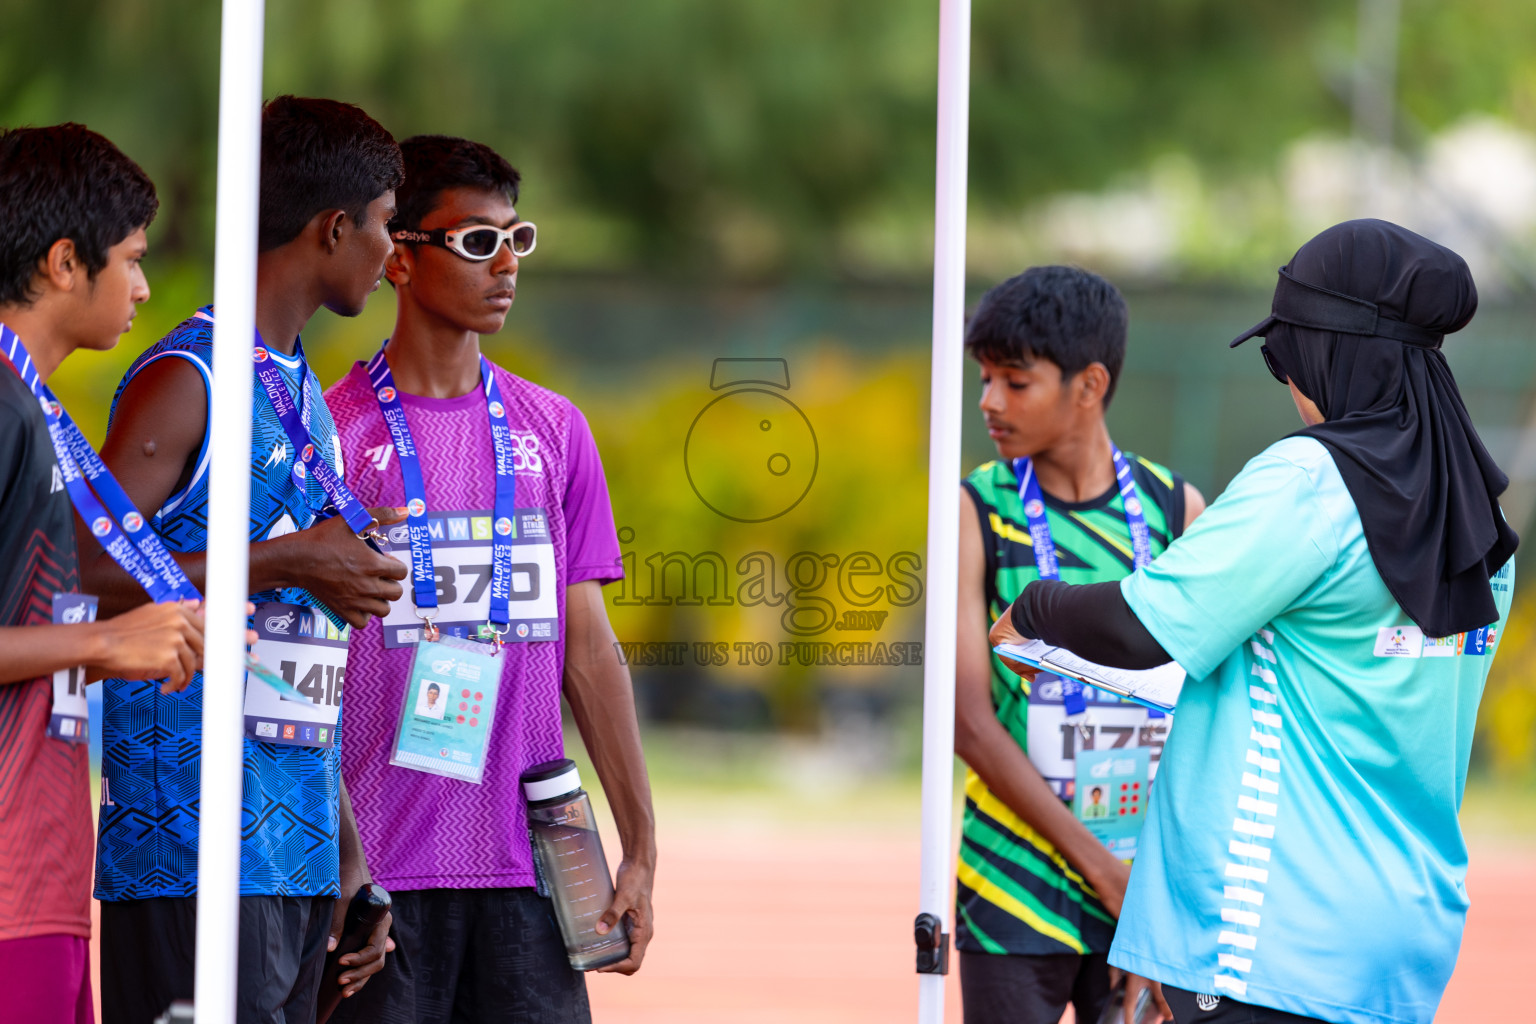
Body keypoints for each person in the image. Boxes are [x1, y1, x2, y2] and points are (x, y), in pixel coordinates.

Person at [991, 220, 1517, 1024]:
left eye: (1285, 357)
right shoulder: (1478, 515)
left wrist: (1034, 608)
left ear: (1330, 353)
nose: (1288, 383)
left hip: (1267, 934)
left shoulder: (1312, 479)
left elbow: (1145, 626)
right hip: (1406, 934)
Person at [84, 96, 411, 1024]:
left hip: (294, 857)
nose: (391, 258)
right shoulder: (189, 377)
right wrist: (290, 558)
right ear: (334, 228)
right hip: (190, 850)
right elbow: (82, 566)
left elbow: (295, 650)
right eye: (387, 227)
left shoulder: (302, 388)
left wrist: (345, 854)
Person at [323, 134, 654, 1024]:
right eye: (476, 241)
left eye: (519, 239)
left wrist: (641, 848)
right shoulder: (334, 434)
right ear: (399, 255)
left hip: (533, 876)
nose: (506, 264)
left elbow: (590, 651)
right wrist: (334, 871)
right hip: (379, 877)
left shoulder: (555, 430)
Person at [953, 265, 1205, 1024]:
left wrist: (1155, 893)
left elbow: (1207, 708)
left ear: (1089, 385)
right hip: (1011, 882)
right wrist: (1099, 869)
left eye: (1015, 382)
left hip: (1147, 889)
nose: (989, 401)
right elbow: (968, 720)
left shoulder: (1174, 509)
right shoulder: (977, 508)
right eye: (986, 378)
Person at [0, 123, 206, 1024]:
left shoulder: (32, 410)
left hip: (42, 870)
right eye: (130, 259)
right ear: (60, 263)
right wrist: (106, 640)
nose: (145, 286)